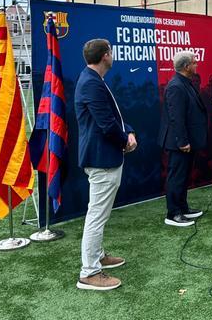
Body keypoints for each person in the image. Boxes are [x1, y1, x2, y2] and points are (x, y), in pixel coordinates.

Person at [75, 39, 137, 291]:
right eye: (111, 52)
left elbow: (114, 116)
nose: (113, 55)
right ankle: (89, 272)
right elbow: (106, 123)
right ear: (104, 56)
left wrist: (128, 131)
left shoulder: (93, 80)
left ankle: (98, 256)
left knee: (100, 213)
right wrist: (125, 140)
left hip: (106, 156)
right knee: (97, 215)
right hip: (102, 158)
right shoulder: (90, 82)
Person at [158, 51, 206, 227]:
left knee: (183, 176)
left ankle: (183, 208)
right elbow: (175, 117)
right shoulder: (176, 86)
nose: (196, 65)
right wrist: (182, 141)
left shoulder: (185, 82)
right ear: (186, 66)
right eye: (194, 62)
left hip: (186, 141)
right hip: (179, 143)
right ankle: (173, 213)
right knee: (176, 177)